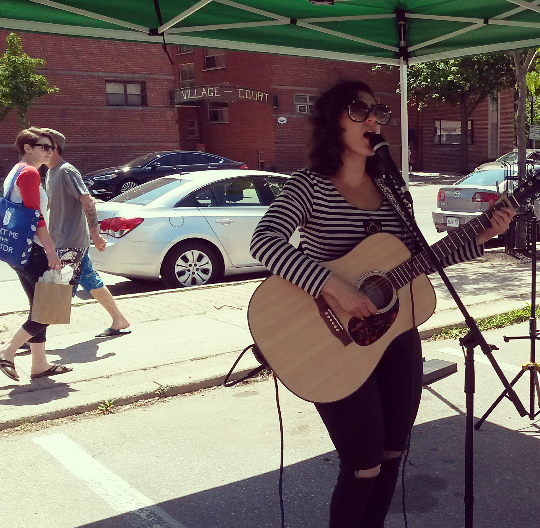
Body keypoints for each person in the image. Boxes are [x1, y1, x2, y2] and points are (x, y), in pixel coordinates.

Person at [249, 80, 514, 528]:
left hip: (395, 337)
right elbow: (265, 242)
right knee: (363, 464)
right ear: (333, 121)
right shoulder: (308, 187)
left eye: (378, 112)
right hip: (331, 343)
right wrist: (334, 286)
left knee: (392, 452)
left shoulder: (392, 189)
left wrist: (482, 234)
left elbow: (418, 262)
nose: (373, 119)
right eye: (360, 110)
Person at [42, 128, 130, 337]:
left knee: (55, 290)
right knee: (90, 281)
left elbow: (88, 201)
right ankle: (119, 320)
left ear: (54, 148)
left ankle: (30, 336)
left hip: (70, 243)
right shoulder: (51, 172)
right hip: (65, 241)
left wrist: (96, 235)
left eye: (43, 146)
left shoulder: (66, 171)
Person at [0, 128, 72, 382]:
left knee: (38, 306)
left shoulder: (16, 171)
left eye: (52, 147)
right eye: (44, 146)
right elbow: (35, 215)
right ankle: (7, 351)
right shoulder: (29, 172)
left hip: (19, 250)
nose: (50, 151)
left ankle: (39, 364)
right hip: (34, 250)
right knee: (50, 308)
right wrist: (51, 251)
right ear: (27, 148)